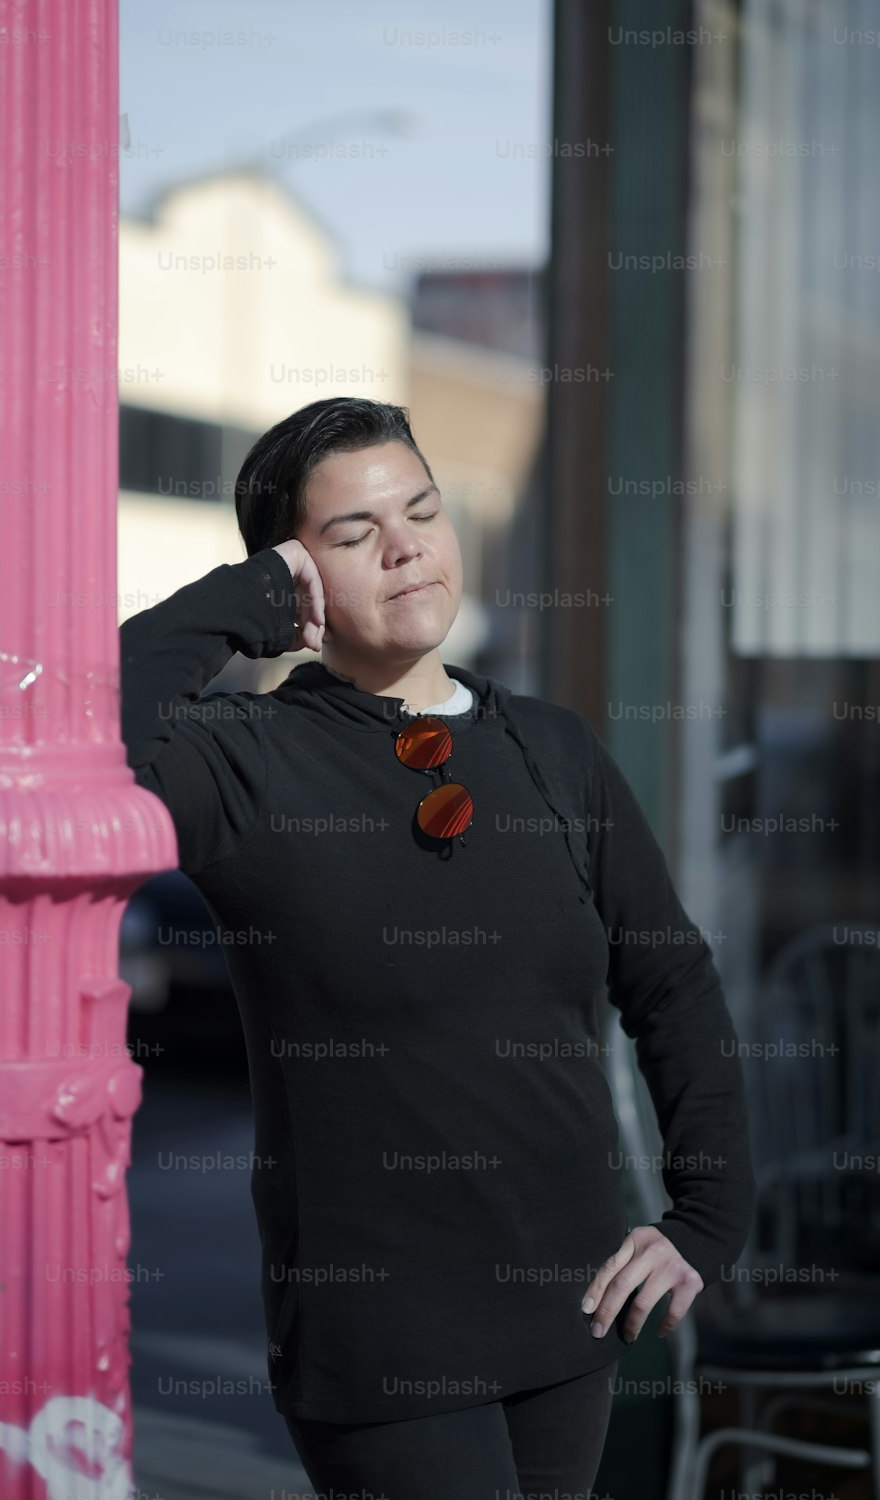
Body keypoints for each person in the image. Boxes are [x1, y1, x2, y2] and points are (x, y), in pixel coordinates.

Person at [119, 396, 757, 1498]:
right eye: (355, 534)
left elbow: (671, 981)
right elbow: (79, 723)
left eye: (422, 510)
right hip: (381, 1343)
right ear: (297, 577)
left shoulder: (550, 749)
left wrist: (709, 1214)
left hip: (573, 1311)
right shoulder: (247, 761)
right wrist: (244, 603)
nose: (408, 546)